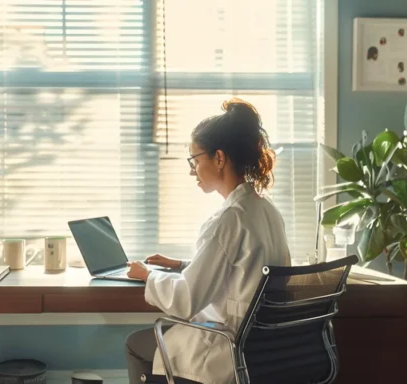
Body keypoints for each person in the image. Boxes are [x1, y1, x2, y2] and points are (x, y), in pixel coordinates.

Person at [124, 98, 291, 384]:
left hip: (226, 350)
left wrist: (147, 276)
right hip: (264, 352)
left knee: (135, 344)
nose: (192, 170)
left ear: (220, 158)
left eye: (195, 160)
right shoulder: (266, 210)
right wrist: (182, 264)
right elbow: (243, 272)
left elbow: (186, 299)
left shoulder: (228, 220)